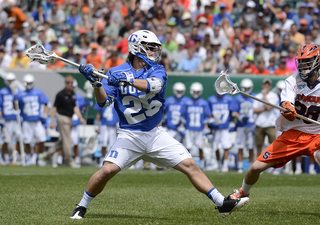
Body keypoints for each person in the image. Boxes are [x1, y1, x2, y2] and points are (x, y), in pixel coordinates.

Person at [70, 30, 249, 219]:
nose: (155, 52)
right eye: (151, 48)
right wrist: (97, 85)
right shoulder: (116, 71)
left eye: (156, 48)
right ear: (136, 48)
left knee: (190, 165)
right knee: (106, 170)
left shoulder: (157, 70)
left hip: (155, 134)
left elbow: (153, 85)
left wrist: (127, 79)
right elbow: (103, 102)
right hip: (129, 135)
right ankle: (82, 206)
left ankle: (222, 203)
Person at [228, 44, 320, 201]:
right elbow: (287, 102)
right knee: (256, 168)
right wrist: (287, 108)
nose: (303, 66)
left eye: (307, 62)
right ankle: (243, 193)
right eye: (301, 62)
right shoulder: (292, 80)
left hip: (317, 134)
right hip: (293, 134)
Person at [39, 75, 85, 167]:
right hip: (62, 118)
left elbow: (74, 108)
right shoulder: (60, 94)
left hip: (70, 119)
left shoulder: (73, 94)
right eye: (68, 83)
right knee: (68, 141)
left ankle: (45, 156)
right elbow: (54, 108)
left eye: (71, 83)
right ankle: (70, 161)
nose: (70, 85)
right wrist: (52, 121)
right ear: (65, 83)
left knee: (63, 141)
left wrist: (80, 117)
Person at [15, 74, 49, 166]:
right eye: (28, 83)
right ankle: (29, 157)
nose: (29, 84)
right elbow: (16, 107)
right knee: (27, 141)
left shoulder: (38, 92)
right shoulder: (20, 94)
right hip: (26, 121)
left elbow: (47, 104)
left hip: (37, 121)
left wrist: (44, 114)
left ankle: (38, 157)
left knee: (42, 139)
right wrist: (14, 98)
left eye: (30, 82)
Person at [180, 82, 211, 170]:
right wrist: (182, 126)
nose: (196, 94)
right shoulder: (187, 102)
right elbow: (183, 115)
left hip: (200, 129)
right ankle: (186, 165)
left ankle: (202, 166)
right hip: (189, 128)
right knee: (187, 148)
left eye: (198, 92)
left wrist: (206, 126)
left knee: (201, 148)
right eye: (194, 91)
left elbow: (207, 116)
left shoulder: (204, 103)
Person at [230, 79, 256, 173]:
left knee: (251, 146)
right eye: (245, 88)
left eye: (248, 88)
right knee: (240, 146)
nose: (246, 90)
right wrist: (240, 117)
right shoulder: (237, 98)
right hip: (241, 125)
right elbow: (233, 112)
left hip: (251, 125)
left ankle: (252, 166)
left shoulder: (254, 97)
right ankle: (240, 167)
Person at [207, 92, 234, 172]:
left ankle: (225, 166)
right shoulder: (211, 99)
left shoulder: (229, 99)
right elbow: (209, 113)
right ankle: (219, 165)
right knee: (216, 147)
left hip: (225, 127)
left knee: (226, 147)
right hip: (216, 128)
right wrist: (211, 120)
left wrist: (232, 122)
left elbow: (232, 112)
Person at [253, 78, 279, 157]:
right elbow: (255, 110)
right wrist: (264, 108)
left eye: (268, 84)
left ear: (270, 86)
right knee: (259, 145)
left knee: (273, 145)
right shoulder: (257, 96)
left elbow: (269, 108)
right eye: (265, 84)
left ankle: (272, 164)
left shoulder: (274, 96)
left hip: (270, 124)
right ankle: (258, 163)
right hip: (260, 123)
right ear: (262, 85)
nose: (266, 86)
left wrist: (264, 96)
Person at [0, 72, 22, 165]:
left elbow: (21, 105)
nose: (10, 82)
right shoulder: (2, 92)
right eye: (9, 81)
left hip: (16, 119)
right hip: (6, 118)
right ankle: (7, 158)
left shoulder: (18, 91)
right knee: (6, 139)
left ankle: (16, 157)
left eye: (12, 80)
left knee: (19, 138)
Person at [94, 98, 119, 167]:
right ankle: (102, 159)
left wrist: (119, 122)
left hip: (113, 124)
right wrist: (97, 124)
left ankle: (112, 160)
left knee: (113, 144)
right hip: (104, 124)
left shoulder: (116, 99)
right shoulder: (102, 98)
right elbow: (98, 113)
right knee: (103, 143)